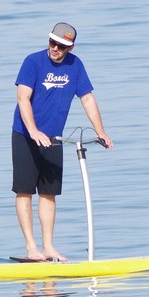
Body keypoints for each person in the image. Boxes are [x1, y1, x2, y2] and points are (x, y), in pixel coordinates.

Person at [12, 23, 113, 262]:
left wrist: (101, 132)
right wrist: (34, 130)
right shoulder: (33, 62)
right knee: (25, 191)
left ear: (71, 47)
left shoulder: (75, 66)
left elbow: (87, 98)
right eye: (52, 42)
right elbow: (22, 98)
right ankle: (31, 248)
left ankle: (48, 247)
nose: (55, 48)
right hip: (25, 135)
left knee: (49, 193)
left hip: (54, 138)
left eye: (62, 45)